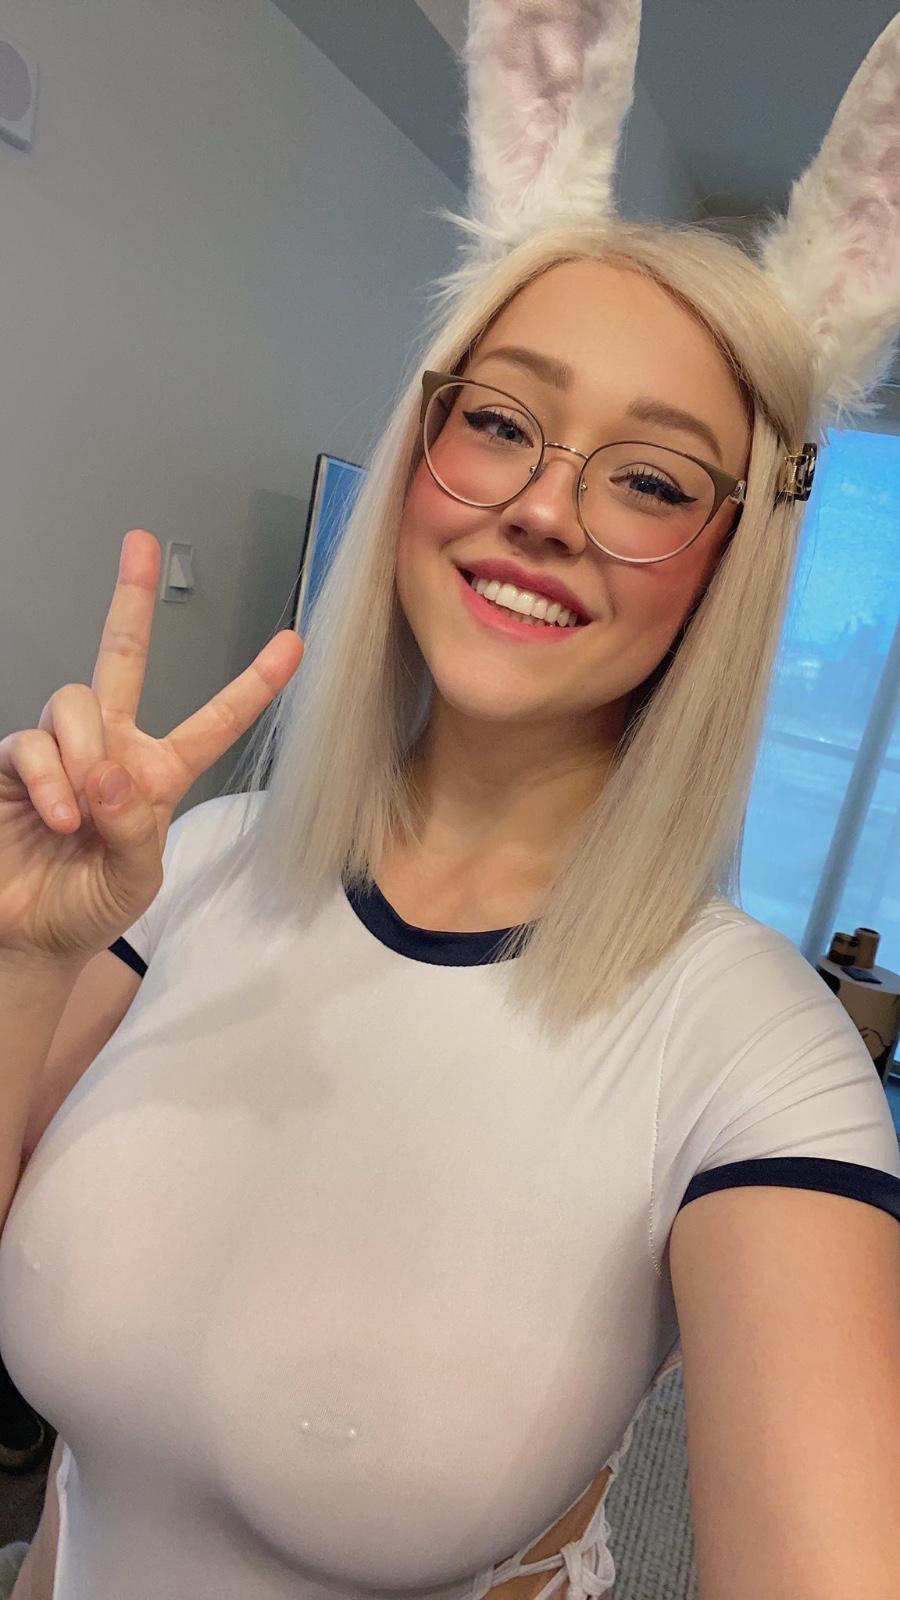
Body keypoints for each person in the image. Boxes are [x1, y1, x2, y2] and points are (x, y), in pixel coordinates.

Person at [1, 3, 899, 1597]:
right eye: (500, 422)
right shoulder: (199, 865)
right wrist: (25, 955)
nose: (543, 508)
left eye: (649, 476)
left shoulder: (758, 1057)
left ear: (728, 564)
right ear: (423, 448)